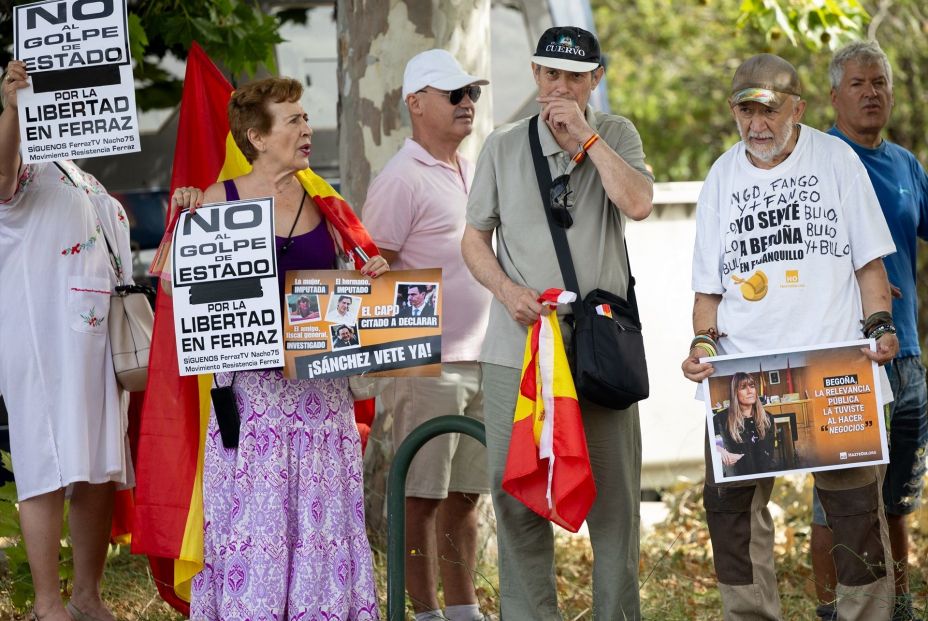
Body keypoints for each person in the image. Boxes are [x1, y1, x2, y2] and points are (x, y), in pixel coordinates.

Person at [682, 53, 899, 621]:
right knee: (729, 511)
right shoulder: (721, 178)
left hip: (834, 366)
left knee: (855, 511)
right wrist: (702, 347)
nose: (756, 126)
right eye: (744, 112)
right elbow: (708, 292)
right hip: (742, 373)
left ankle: (866, 615)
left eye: (769, 112)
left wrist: (881, 329)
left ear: (798, 109)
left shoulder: (836, 161)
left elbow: (870, 266)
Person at [170, 77, 388, 620]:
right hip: (252, 399)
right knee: (256, 525)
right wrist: (185, 228)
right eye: (292, 120)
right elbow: (178, 288)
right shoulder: (218, 202)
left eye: (305, 118)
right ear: (257, 136)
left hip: (320, 399)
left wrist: (370, 280)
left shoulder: (329, 204)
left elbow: (349, 299)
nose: (307, 128)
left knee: (323, 527)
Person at [461, 26, 653, 620]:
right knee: (516, 498)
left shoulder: (615, 135)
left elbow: (639, 203)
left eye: (575, 76)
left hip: (599, 349)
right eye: (550, 74)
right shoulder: (501, 145)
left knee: (615, 505)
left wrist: (587, 138)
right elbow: (474, 240)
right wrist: (507, 290)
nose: (560, 87)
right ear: (535, 76)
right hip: (517, 348)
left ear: (596, 79)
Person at [362, 48, 492, 621]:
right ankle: (426, 613)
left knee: (467, 495)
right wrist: (390, 365)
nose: (467, 104)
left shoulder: (472, 167)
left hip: (487, 356)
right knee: (420, 496)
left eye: (472, 94)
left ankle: (463, 613)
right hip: (429, 364)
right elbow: (375, 273)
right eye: (454, 94)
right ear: (416, 105)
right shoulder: (399, 179)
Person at [1, 60, 134, 621]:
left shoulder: (77, 170)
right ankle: (49, 605)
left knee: (98, 466)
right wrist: (10, 110)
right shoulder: (22, 160)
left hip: (98, 339)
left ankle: (86, 595)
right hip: (43, 338)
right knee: (46, 462)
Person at [809, 40, 928, 621]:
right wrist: (863, 283)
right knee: (837, 505)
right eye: (858, 83)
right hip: (846, 359)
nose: (872, 92)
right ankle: (833, 611)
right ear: (834, 96)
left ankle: (898, 608)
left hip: (906, 357)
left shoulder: (906, 164)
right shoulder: (818, 161)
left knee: (898, 501)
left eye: (879, 81)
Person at [712, 372, 777, 477]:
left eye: (752, 386)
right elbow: (712, 444)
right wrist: (721, 452)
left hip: (764, 476)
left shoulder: (768, 418)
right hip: (736, 478)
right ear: (735, 392)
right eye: (743, 387)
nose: (749, 391)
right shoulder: (720, 419)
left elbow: (769, 454)